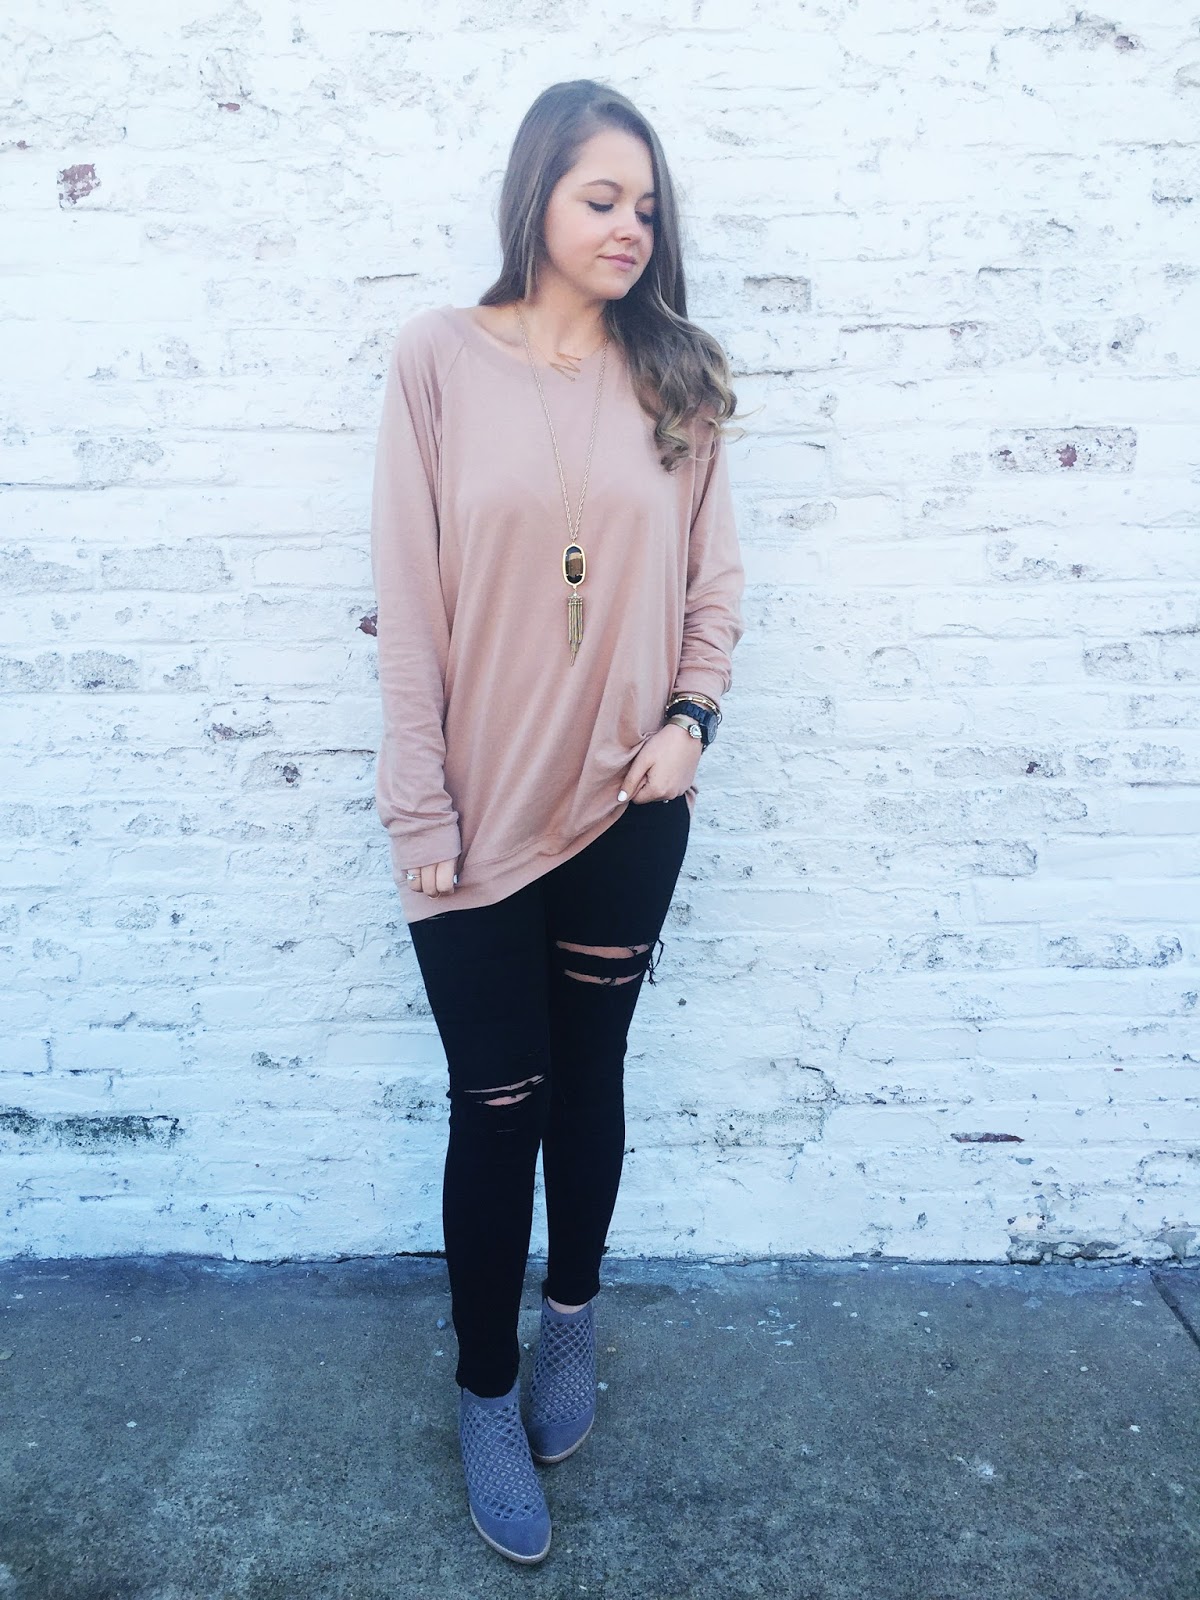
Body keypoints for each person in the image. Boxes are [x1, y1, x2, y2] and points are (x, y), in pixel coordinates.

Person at [368, 78, 746, 1565]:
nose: (631, 227)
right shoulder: (436, 360)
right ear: (536, 197)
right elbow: (410, 600)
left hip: (631, 806)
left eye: (647, 206)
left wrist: (690, 721)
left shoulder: (677, 379)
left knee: (590, 1082)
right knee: (496, 1103)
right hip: (475, 814)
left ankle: (570, 1324)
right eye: (602, 198)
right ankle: (483, 1390)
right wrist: (418, 798)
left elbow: (714, 584)